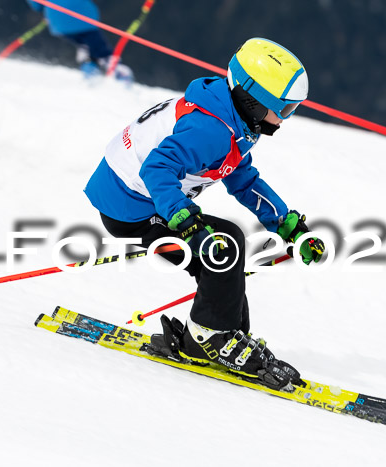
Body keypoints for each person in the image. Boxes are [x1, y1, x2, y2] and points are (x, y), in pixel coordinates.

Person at [84, 38, 325, 391]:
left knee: (222, 254)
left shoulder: (235, 121)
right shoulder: (210, 129)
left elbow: (243, 179)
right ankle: (210, 337)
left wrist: (289, 226)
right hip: (129, 206)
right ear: (254, 99)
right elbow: (157, 168)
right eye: (284, 109)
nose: (285, 119)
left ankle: (225, 334)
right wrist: (184, 219)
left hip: (145, 200)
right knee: (224, 245)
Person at [25, 0, 133, 81]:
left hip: (59, 23)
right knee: (101, 49)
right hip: (84, 18)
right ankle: (119, 75)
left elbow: (37, 5)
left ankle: (90, 70)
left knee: (84, 45)